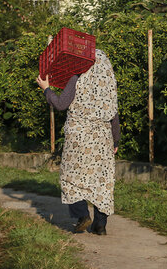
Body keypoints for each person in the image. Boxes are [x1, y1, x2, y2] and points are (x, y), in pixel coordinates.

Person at [36, 49, 120, 235]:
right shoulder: (109, 85)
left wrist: (46, 89)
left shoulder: (77, 77)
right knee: (102, 181)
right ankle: (100, 225)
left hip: (78, 138)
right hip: (102, 138)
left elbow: (60, 104)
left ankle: (82, 216)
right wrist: (116, 141)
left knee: (71, 178)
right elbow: (114, 116)